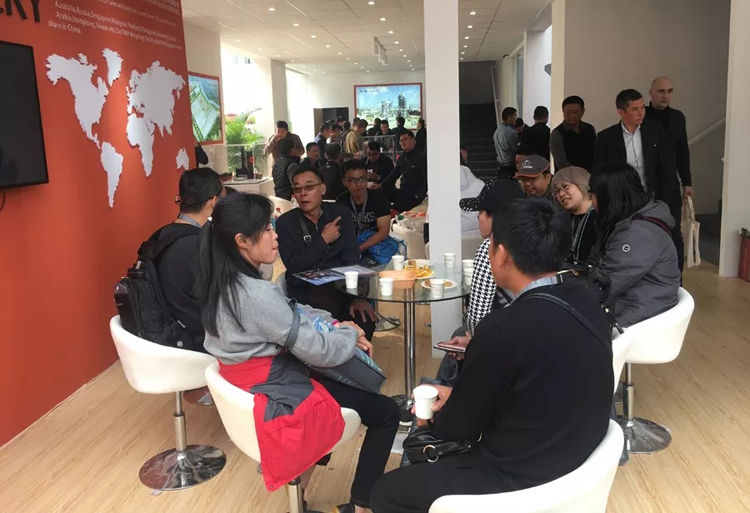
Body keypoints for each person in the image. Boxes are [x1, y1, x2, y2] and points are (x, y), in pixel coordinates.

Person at [370, 198, 614, 513]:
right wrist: (460, 396)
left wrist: (430, 414)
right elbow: (540, 382)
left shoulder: (503, 329)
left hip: (522, 476)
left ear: (502, 253)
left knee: (387, 492)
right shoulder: (585, 300)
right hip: (578, 462)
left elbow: (456, 428)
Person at [198, 193, 399, 513]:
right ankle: (362, 506)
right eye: (267, 229)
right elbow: (320, 351)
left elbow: (291, 312)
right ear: (242, 241)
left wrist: (335, 323)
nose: (275, 235)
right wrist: (349, 333)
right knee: (387, 412)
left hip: (248, 383)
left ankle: (300, 496)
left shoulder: (218, 281)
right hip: (276, 387)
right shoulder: (255, 294)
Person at [276, 167, 377, 340]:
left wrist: (357, 297)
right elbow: (294, 265)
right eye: (297, 189)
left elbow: (351, 255)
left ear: (322, 189)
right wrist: (323, 240)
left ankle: (354, 355)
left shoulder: (339, 213)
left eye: (309, 187)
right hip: (306, 293)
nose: (303, 193)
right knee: (325, 306)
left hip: (341, 290)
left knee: (365, 318)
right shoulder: (286, 223)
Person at [594, 89, 683, 272]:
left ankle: (674, 277)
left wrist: (667, 197)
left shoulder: (655, 130)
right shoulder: (606, 138)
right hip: (622, 202)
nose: (641, 113)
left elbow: (667, 166)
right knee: (627, 241)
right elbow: (600, 173)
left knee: (669, 238)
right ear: (621, 112)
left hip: (653, 198)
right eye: (635, 109)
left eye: (642, 107)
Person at [588, 162, 680, 327]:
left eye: (592, 193)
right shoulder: (625, 221)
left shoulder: (638, 234)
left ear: (608, 195)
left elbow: (605, 285)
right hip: (633, 303)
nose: (591, 201)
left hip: (639, 316)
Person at [153, 168, 225, 353]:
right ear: (214, 202)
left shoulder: (159, 237)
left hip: (167, 337)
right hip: (201, 343)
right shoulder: (201, 246)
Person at [462, 179, 523, 333]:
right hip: (542, 325)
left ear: (494, 216)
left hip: (511, 333)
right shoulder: (535, 238)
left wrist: (472, 337)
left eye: (480, 212)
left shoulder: (491, 248)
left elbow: (477, 317)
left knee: (459, 334)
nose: (478, 218)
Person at [646, 76, 693, 198]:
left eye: (669, 91)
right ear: (651, 92)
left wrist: (687, 182)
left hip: (670, 182)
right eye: (661, 91)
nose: (666, 96)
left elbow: (682, 151)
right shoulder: (642, 116)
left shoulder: (677, 117)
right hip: (645, 183)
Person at [337, 159, 392, 256]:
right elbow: (339, 230)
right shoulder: (341, 201)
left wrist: (360, 248)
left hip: (375, 246)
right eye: (352, 180)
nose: (358, 184)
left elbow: (383, 232)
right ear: (344, 182)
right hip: (349, 246)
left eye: (362, 179)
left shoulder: (379, 199)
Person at [552, 166, 598, 264]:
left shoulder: (601, 217)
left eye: (565, 186)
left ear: (581, 182)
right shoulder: (563, 222)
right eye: (557, 191)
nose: (561, 194)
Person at [376, 131, 428, 213]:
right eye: (401, 140)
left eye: (405, 139)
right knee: (380, 194)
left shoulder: (421, 157)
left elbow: (426, 180)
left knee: (396, 207)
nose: (403, 142)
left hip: (413, 194)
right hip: (402, 190)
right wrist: (380, 185)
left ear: (413, 140)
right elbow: (393, 175)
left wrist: (418, 195)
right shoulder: (402, 157)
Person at [549, 96, 597, 172]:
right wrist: (581, 174)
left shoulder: (589, 129)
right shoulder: (557, 133)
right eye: (568, 112)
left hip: (590, 175)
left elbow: (595, 154)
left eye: (575, 112)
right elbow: (561, 163)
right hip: (566, 176)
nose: (571, 116)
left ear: (583, 112)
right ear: (563, 111)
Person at [493, 107, 519, 179]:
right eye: (515, 116)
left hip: (500, 167)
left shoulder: (497, 131)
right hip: (510, 167)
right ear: (509, 117)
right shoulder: (511, 133)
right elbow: (517, 150)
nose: (516, 119)